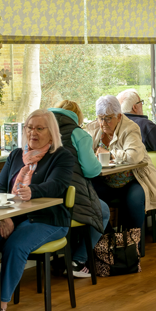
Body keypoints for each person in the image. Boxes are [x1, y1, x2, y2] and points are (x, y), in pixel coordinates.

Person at [0, 109, 75, 311]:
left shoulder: (61, 155)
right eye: (30, 128)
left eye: (39, 128)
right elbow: (0, 188)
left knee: (16, 245)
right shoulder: (16, 155)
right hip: (14, 218)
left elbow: (57, 185)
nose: (33, 133)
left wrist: (33, 190)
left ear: (52, 132)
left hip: (49, 220)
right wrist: (6, 217)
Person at [85, 95, 156, 239]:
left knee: (134, 199)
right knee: (87, 194)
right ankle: (109, 239)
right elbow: (85, 152)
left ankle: (133, 246)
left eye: (108, 118)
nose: (103, 122)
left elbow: (133, 156)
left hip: (133, 180)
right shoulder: (94, 128)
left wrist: (110, 154)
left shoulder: (130, 128)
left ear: (119, 116)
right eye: (100, 118)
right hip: (106, 181)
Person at [50, 100, 111, 278]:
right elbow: (92, 170)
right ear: (77, 117)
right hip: (68, 195)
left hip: (40, 196)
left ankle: (64, 257)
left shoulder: (41, 129)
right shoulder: (78, 133)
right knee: (103, 211)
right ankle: (78, 260)